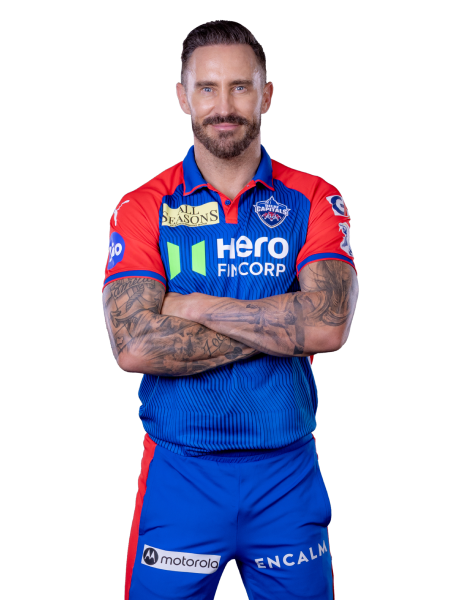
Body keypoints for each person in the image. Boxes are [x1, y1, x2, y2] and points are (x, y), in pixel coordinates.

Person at [102, 19, 359, 600]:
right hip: (180, 474)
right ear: (183, 97)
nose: (224, 106)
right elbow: (134, 345)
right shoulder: (143, 207)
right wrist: (283, 324)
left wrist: (194, 306)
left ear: (266, 95)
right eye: (208, 88)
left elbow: (327, 325)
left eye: (241, 86)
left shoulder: (314, 198)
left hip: (287, 476)